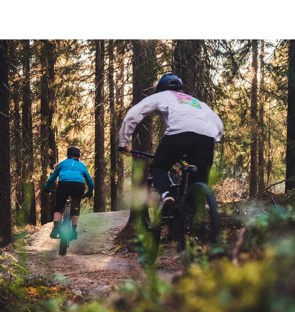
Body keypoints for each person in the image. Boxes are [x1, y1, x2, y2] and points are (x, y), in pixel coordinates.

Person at [118, 73, 224, 212]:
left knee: (158, 167)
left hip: (179, 133)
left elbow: (133, 114)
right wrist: (214, 140)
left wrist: (123, 142)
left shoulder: (161, 96)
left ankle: (167, 195)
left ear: (161, 87)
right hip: (206, 137)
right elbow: (218, 124)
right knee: (198, 181)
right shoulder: (197, 102)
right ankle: (196, 224)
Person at [43, 146, 94, 240]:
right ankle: (74, 231)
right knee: (75, 208)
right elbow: (90, 181)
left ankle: (55, 229)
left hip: (64, 184)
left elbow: (52, 177)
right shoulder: (82, 166)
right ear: (79, 156)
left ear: (68, 155)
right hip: (78, 186)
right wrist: (90, 192)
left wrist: (47, 188)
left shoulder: (62, 164)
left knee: (59, 207)